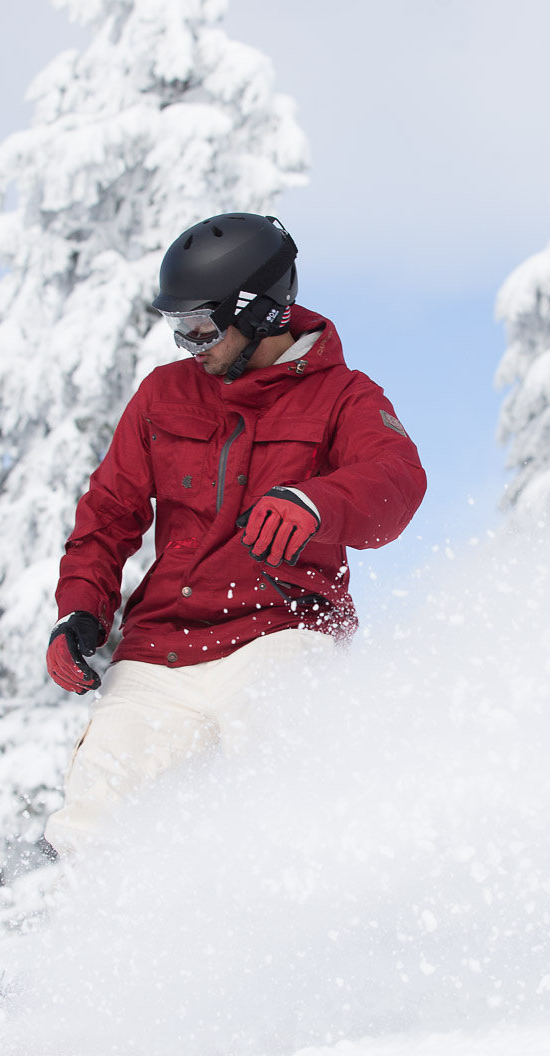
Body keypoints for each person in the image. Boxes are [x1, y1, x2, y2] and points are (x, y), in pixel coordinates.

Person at [42, 213, 428, 861]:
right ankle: (88, 956)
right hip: (163, 652)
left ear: (261, 312)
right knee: (95, 821)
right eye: (178, 329)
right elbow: (109, 512)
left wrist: (319, 502)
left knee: (286, 782)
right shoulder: (165, 396)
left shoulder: (343, 398)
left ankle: (302, 935)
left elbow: (397, 481)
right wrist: (80, 609)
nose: (189, 346)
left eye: (201, 327)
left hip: (283, 633)